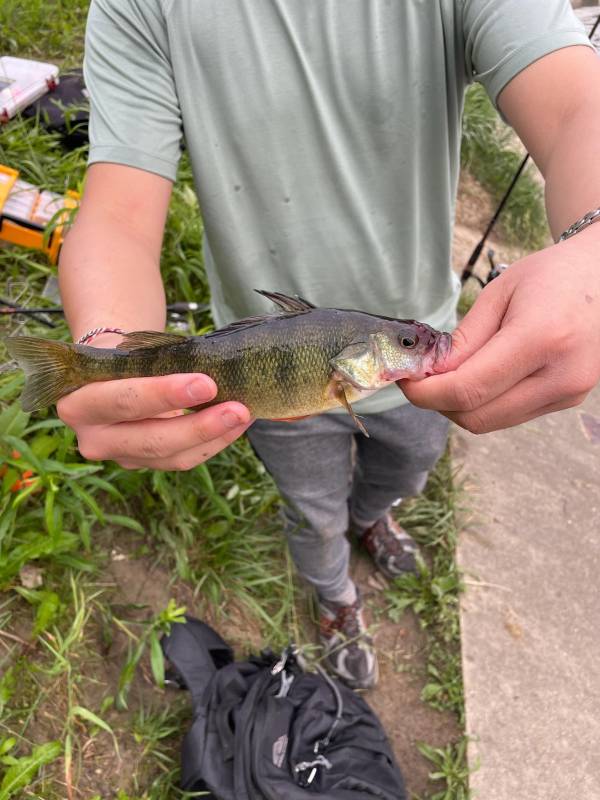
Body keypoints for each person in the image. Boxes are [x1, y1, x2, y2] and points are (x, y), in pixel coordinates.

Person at [58, 0, 600, 690]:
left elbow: (578, 106)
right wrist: (108, 352)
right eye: (406, 340)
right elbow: (117, 215)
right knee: (310, 510)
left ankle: (371, 520)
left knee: (407, 470)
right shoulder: (138, 10)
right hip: (264, 391)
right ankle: (335, 595)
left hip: (423, 384)